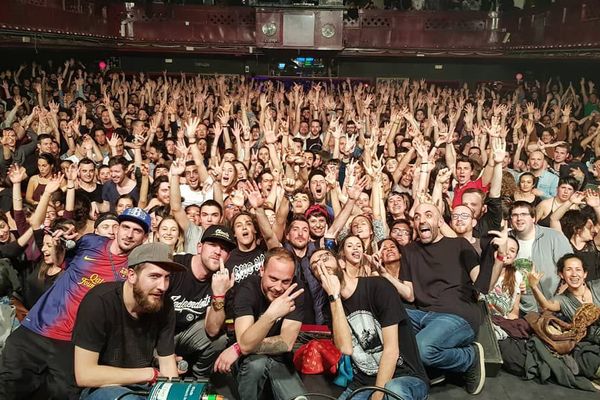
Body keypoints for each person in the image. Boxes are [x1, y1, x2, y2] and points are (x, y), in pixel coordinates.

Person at [0, 207, 150, 400]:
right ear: (117, 228)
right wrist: (62, 240)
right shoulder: (91, 242)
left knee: (60, 395)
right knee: (7, 390)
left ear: (145, 237)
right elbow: (61, 257)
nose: (129, 234)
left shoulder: (136, 268)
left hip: (74, 346)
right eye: (126, 227)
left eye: (137, 231)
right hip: (36, 331)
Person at [400, 202, 504, 395]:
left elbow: (484, 285)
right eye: (417, 217)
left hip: (455, 313)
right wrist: (385, 278)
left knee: (424, 349)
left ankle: (469, 357)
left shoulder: (459, 245)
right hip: (421, 314)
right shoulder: (409, 251)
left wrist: (500, 257)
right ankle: (430, 369)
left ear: (440, 221)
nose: (422, 219)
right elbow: (409, 293)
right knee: (386, 322)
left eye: (428, 215)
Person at [310, 249, 429, 400]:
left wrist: (377, 395)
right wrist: (335, 297)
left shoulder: (377, 286)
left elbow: (391, 350)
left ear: (341, 263)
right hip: (363, 383)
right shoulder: (330, 307)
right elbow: (346, 348)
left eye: (324, 258)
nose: (320, 265)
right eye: (314, 266)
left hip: (404, 376)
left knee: (393, 390)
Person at [73, 243, 185, 400]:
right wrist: (149, 373)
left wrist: (176, 395)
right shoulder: (99, 301)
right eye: (154, 276)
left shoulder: (165, 305)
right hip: (102, 388)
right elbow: (85, 375)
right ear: (131, 275)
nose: (163, 286)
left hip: (144, 387)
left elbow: (167, 365)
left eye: (167, 278)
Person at [229, 247, 306, 400]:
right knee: (257, 365)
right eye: (273, 279)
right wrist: (272, 314)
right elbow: (245, 343)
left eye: (286, 281)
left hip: (279, 359)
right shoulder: (246, 289)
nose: (278, 288)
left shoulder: (296, 290)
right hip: (250, 360)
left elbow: (285, 343)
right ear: (262, 270)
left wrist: (238, 348)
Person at [168, 224, 237, 379]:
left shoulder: (225, 280)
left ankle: (199, 379)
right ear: (199, 247)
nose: (218, 252)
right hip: (157, 334)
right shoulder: (175, 266)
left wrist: (219, 294)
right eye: (212, 245)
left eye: (224, 249)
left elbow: (212, 330)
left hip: (186, 337)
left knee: (219, 339)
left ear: (228, 257)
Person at [509, 201, 572, 312]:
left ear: (533, 218)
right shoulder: (507, 240)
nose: (519, 218)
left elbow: (570, 270)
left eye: (524, 214)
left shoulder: (554, 237)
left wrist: (556, 301)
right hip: (516, 307)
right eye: (515, 215)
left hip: (549, 308)